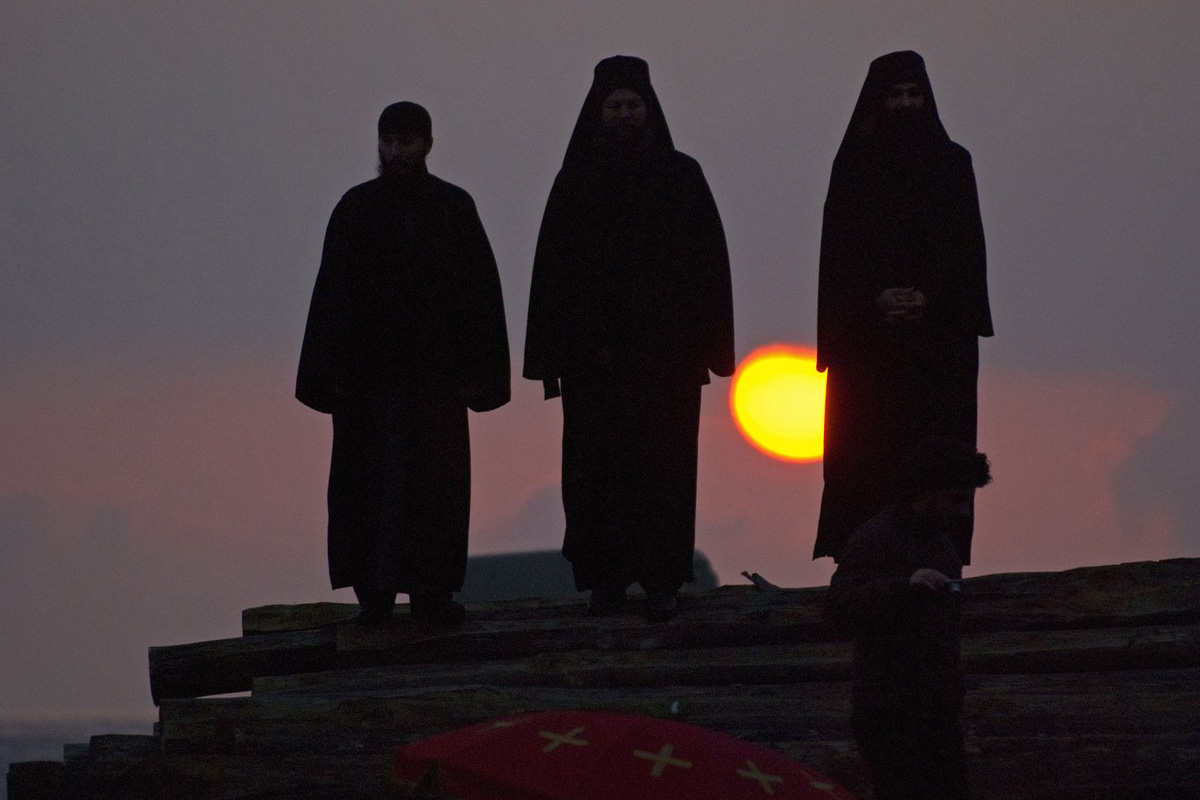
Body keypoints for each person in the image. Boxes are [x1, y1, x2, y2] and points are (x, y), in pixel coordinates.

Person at [523, 56, 734, 622]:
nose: (623, 114)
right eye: (613, 105)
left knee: (665, 471)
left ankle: (664, 579)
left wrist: (713, 348)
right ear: (598, 112)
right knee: (596, 476)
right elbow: (551, 274)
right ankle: (606, 582)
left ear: (649, 110)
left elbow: (710, 265)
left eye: (632, 105)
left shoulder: (682, 175)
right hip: (594, 365)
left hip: (666, 362)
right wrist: (554, 354)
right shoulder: (574, 181)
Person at [296, 101, 510, 625]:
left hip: (435, 387)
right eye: (389, 141)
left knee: (434, 492)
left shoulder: (454, 208)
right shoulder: (354, 209)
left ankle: (432, 595)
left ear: (427, 145)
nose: (396, 152)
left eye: (407, 142)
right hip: (366, 388)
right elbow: (330, 297)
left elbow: (482, 297)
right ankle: (374, 598)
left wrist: (480, 378)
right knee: (365, 492)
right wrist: (327, 379)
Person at [815, 51, 993, 565]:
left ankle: (939, 560)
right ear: (879, 100)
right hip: (868, 346)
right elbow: (838, 254)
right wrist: (876, 299)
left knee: (937, 448)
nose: (905, 104)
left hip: (940, 345)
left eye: (914, 94)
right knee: (867, 448)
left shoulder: (953, 163)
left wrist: (931, 299)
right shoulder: (852, 166)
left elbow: (968, 251)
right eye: (895, 95)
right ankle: (863, 560)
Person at [825, 437, 991, 800]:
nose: (964, 511)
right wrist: (904, 586)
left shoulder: (943, 547)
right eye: (956, 499)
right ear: (925, 493)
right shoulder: (875, 538)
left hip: (938, 719)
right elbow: (837, 608)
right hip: (890, 719)